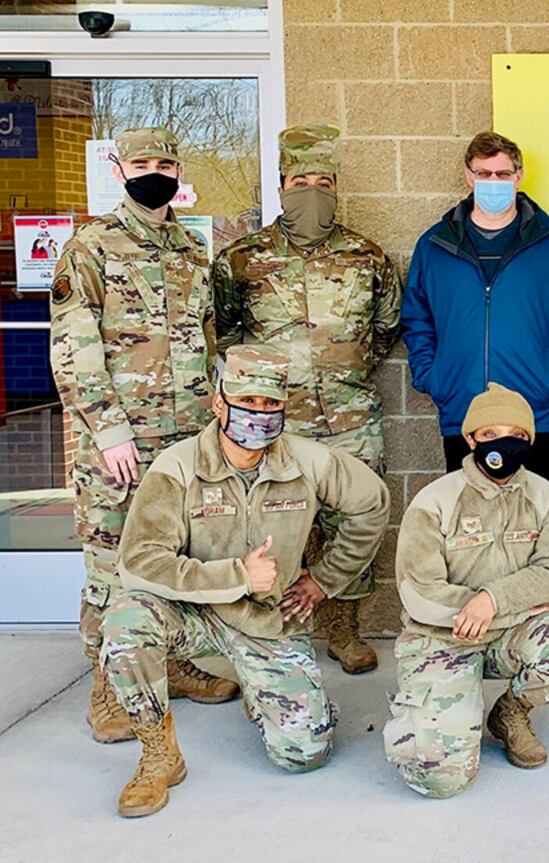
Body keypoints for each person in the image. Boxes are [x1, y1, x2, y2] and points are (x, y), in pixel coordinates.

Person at [99, 345, 389, 817]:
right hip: (195, 614)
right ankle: (159, 754)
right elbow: (140, 561)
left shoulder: (308, 461)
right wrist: (236, 575)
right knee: (126, 620)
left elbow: (371, 504)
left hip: (269, 620)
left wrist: (324, 580)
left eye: (271, 404)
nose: (259, 413)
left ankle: (264, 691)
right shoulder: (178, 466)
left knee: (304, 755)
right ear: (219, 402)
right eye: (247, 402)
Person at [48, 126, 237, 746]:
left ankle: (170, 662)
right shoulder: (91, 248)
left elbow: (207, 342)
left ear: (179, 170)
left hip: (186, 442)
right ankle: (108, 690)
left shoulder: (189, 250)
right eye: (141, 162)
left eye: (164, 162)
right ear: (118, 167)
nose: (154, 170)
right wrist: (108, 433)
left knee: (174, 553)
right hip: (122, 444)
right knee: (111, 563)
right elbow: (73, 352)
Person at [212, 124, 403, 675]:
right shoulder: (243, 259)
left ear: (338, 186)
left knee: (353, 522)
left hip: (350, 419)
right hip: (273, 423)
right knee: (273, 526)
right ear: (280, 187)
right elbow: (224, 333)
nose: (312, 190)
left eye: (323, 181)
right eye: (301, 180)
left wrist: (345, 369)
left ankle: (343, 629)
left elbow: (386, 327)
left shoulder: (366, 256)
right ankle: (273, 633)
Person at [384, 383, 549, 798]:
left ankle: (510, 713)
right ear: (470, 439)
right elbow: (419, 592)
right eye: (490, 433)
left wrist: (494, 601)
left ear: (530, 440)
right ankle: (439, 703)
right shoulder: (435, 500)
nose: (504, 443)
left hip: (507, 635)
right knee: (438, 780)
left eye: (517, 436)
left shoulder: (544, 496)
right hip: (443, 637)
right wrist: (486, 607)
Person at [401, 131, 549, 483]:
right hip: (464, 408)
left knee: (536, 519)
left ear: (518, 177)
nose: (493, 182)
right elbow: (417, 318)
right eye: (484, 173)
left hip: (536, 411)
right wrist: (434, 377)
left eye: (503, 174)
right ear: (468, 176)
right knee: (470, 528)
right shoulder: (435, 245)